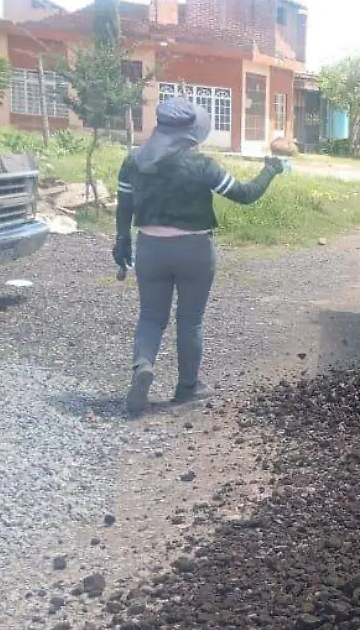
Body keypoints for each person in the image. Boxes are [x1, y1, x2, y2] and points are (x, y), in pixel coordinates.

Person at [113, 97, 285, 414]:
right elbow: (245, 195)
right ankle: (187, 387)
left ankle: (142, 367)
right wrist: (269, 171)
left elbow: (124, 206)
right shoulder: (201, 165)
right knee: (190, 321)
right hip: (194, 251)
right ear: (191, 132)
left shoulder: (133, 161)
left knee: (151, 316)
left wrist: (122, 241)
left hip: (150, 248)